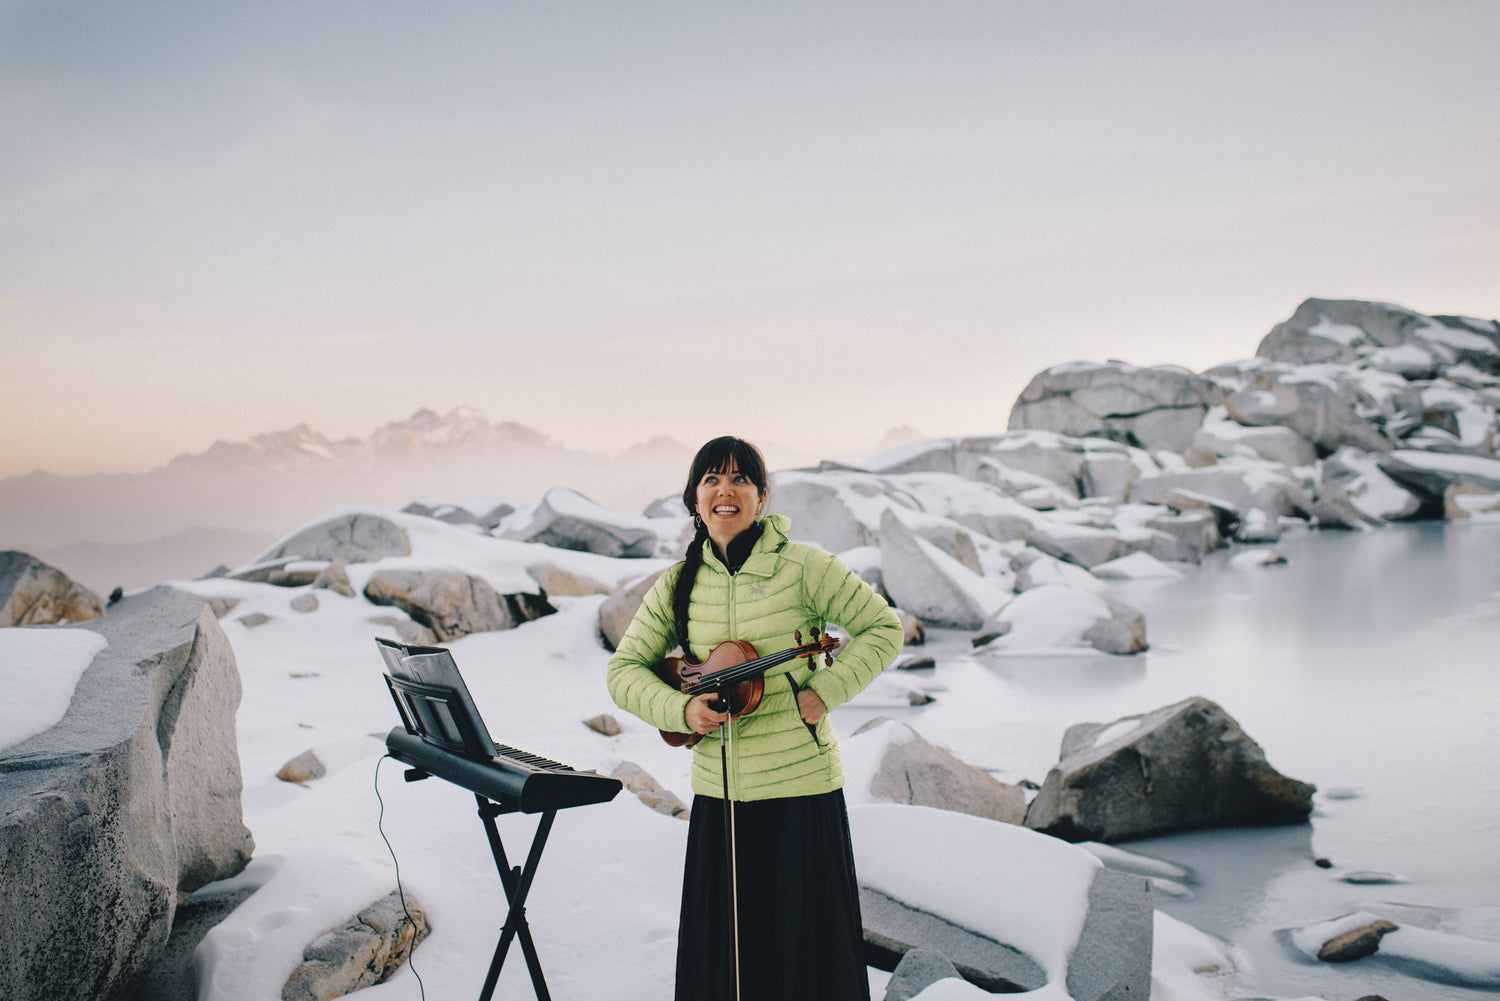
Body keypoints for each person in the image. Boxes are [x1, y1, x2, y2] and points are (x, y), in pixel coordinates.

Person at [606, 436, 903, 1001]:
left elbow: (882, 629)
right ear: (695, 499)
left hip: (801, 789)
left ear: (761, 497)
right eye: (712, 479)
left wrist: (826, 690)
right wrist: (682, 708)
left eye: (740, 479)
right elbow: (625, 672)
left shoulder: (806, 566)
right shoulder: (678, 584)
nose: (726, 491)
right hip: (721, 795)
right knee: (728, 962)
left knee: (805, 954)